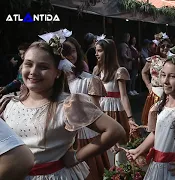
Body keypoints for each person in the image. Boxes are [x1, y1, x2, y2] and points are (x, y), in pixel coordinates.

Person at [0, 40, 125, 179]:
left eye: (43, 67)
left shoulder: (68, 104)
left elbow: (115, 131)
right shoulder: (9, 103)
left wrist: (77, 156)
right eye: (28, 64)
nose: (33, 72)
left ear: (57, 73)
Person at [62, 36, 110, 180]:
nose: (70, 56)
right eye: (64, 52)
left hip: (85, 136)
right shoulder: (51, 83)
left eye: (73, 51)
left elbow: (96, 112)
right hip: (60, 138)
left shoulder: (89, 79)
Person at [93, 38, 138, 167]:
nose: (96, 54)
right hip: (100, 110)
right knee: (102, 145)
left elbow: (123, 96)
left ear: (108, 53)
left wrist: (130, 117)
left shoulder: (119, 71)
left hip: (115, 110)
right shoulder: (96, 70)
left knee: (119, 146)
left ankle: (119, 173)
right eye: (96, 51)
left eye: (99, 51)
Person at [141, 36, 171, 125]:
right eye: (163, 46)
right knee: (154, 120)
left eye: (168, 46)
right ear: (158, 47)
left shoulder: (172, 59)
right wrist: (148, 85)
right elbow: (144, 72)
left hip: (169, 94)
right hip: (155, 93)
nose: (165, 48)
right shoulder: (152, 59)